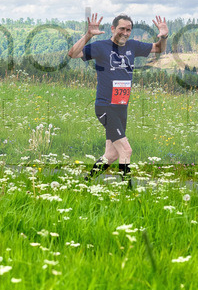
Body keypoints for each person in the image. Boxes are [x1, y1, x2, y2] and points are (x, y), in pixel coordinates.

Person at [68, 12, 168, 188]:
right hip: (105, 106)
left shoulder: (133, 46)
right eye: (122, 29)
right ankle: (127, 191)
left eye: (128, 30)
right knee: (126, 150)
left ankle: (84, 184)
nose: (125, 33)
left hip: (121, 108)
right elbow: (73, 54)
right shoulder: (101, 47)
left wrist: (164, 36)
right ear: (113, 29)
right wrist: (88, 35)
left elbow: (159, 49)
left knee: (111, 155)